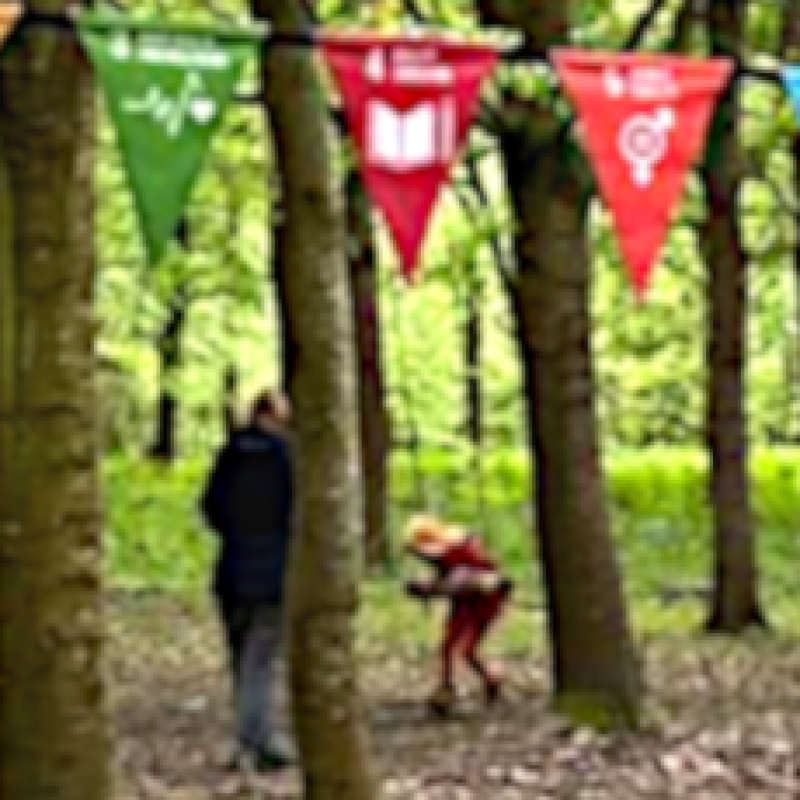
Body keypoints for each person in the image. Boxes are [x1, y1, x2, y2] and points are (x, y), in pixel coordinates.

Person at [200, 388, 296, 771]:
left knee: (243, 657)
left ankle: (250, 738)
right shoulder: (288, 459)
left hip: (232, 569)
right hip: (273, 573)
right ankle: (256, 741)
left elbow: (211, 508)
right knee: (261, 659)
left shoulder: (230, 456)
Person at [405, 515, 513, 716]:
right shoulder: (443, 555)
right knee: (449, 646)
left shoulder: (461, 550)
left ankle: (488, 680)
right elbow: (449, 581)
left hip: (483, 605)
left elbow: (469, 580)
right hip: (464, 603)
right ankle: (449, 687)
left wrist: (433, 588)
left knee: (466, 649)